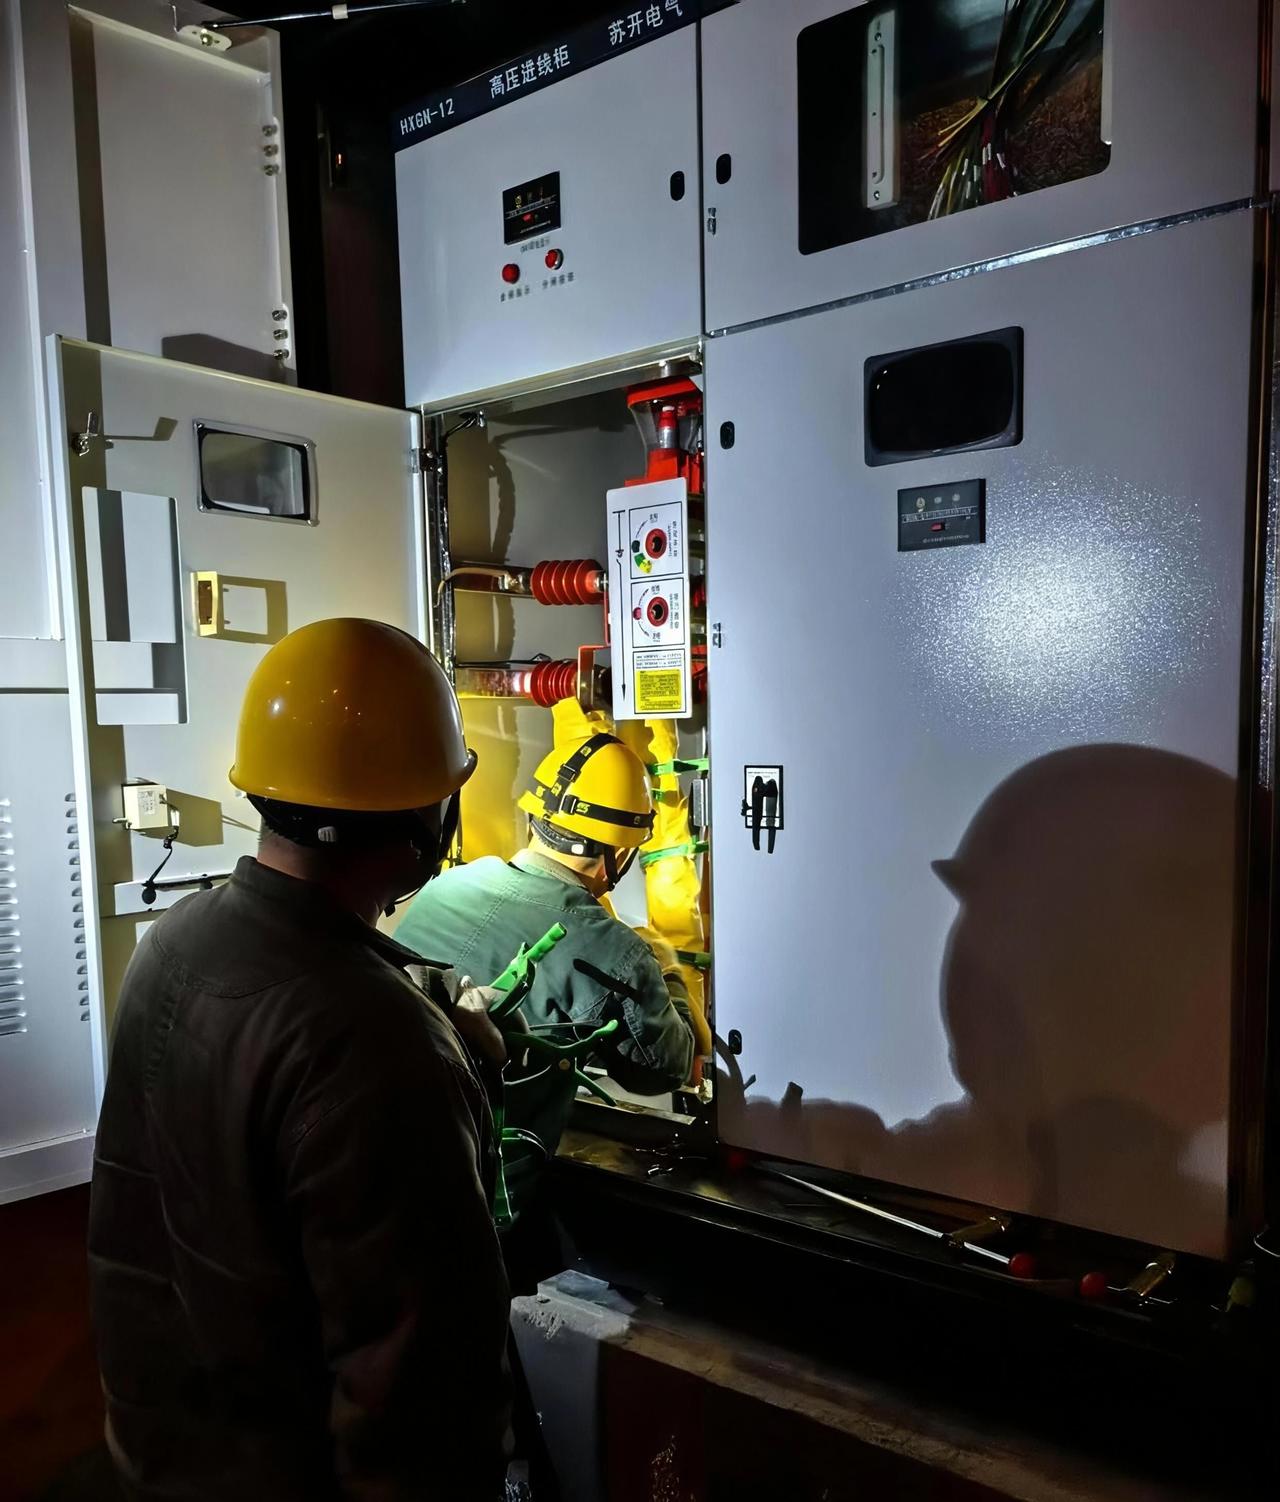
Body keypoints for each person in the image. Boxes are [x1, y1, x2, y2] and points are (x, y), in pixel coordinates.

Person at [88, 618, 512, 1501]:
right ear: (426, 818)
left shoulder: (175, 942)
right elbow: (419, 1401)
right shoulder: (382, 1048)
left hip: (162, 1462)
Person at [395, 730, 697, 1279]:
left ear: (537, 819)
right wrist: (670, 968)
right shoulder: (616, 950)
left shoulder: (446, 886)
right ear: (618, 853)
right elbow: (666, 1069)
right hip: (487, 1203)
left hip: (395, 1170)